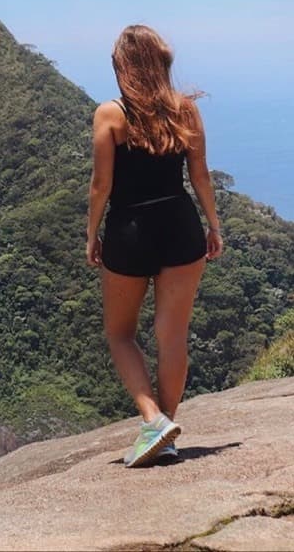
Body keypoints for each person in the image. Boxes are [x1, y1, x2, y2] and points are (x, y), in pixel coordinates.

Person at [86, 24, 223, 467]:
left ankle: (153, 419)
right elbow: (200, 177)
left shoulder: (110, 114)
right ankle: (167, 428)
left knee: (120, 333)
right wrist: (214, 226)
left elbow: (101, 184)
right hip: (181, 225)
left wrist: (92, 235)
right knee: (172, 336)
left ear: (124, 67)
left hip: (129, 228)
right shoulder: (186, 111)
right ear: (162, 62)